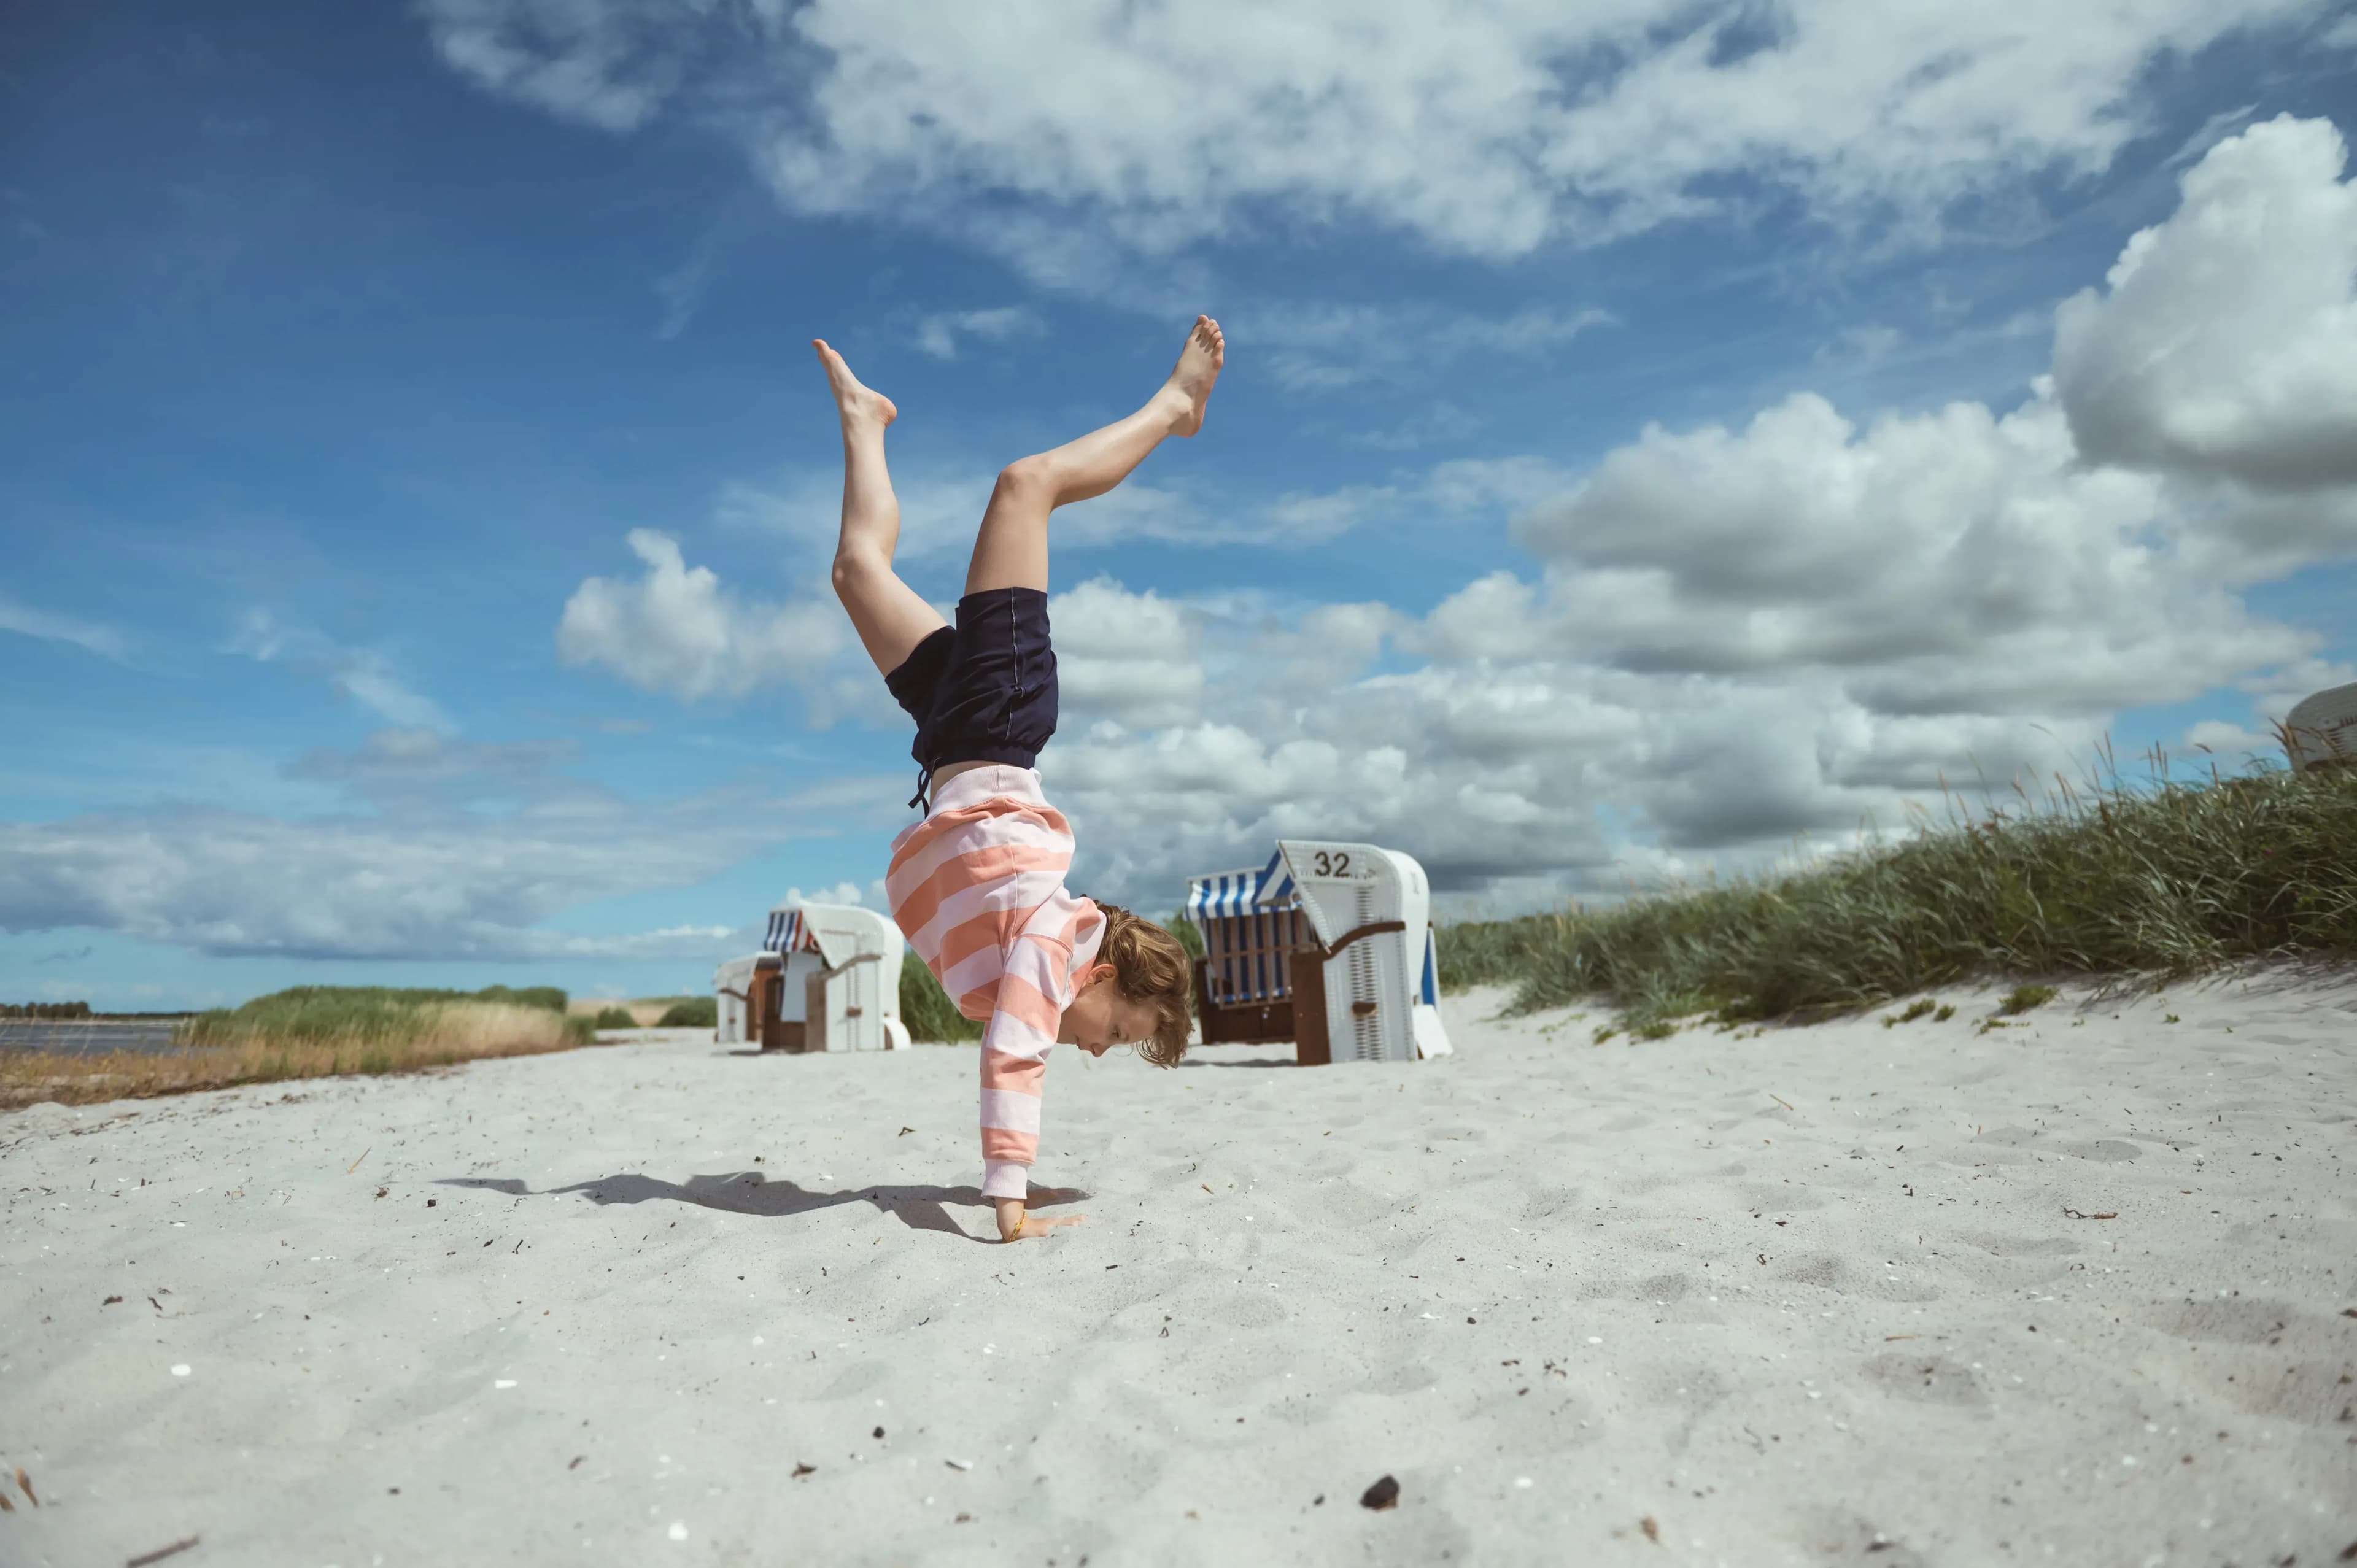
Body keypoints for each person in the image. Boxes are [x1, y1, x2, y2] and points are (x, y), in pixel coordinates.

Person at [815, 316, 1223, 1242]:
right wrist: (1010, 1206)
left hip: (949, 736)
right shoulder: (1053, 949)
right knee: (1024, 487)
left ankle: (864, 421)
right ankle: (1173, 406)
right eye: (1118, 1031)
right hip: (998, 720)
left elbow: (1010, 1028)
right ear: (1104, 975)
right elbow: (1012, 1062)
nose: (1098, 1048)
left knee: (854, 570)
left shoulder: (1019, 968)